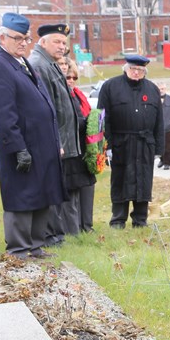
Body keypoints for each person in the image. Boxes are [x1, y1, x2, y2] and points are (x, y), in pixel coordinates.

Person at [0, 12, 65, 259]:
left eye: (26, 38)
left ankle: (36, 245)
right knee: (21, 197)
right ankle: (18, 249)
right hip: (23, 146)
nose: (23, 43)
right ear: (2, 37)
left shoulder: (22, 62)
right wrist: (18, 148)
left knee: (42, 194)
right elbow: (4, 114)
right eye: (17, 38)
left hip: (42, 145)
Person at [29, 23, 82, 242]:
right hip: (53, 142)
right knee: (51, 190)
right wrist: (56, 141)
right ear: (43, 42)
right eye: (57, 42)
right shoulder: (39, 64)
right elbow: (45, 110)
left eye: (64, 43)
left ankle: (56, 234)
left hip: (61, 141)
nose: (62, 47)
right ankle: (50, 235)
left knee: (60, 190)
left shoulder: (49, 63)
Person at [98, 55, 164, 228]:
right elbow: (104, 119)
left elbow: (159, 121)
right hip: (121, 143)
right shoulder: (110, 87)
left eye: (140, 70)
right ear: (126, 69)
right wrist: (107, 145)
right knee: (120, 180)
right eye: (133, 69)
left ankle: (140, 220)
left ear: (145, 72)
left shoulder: (152, 89)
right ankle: (118, 219)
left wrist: (159, 148)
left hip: (145, 143)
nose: (136, 73)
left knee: (143, 181)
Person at [62, 56, 97, 232]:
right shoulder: (65, 96)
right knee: (73, 192)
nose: (72, 81)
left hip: (84, 148)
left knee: (87, 189)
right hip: (72, 150)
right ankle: (75, 230)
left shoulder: (78, 94)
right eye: (68, 77)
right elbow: (74, 121)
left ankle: (86, 226)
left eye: (74, 77)